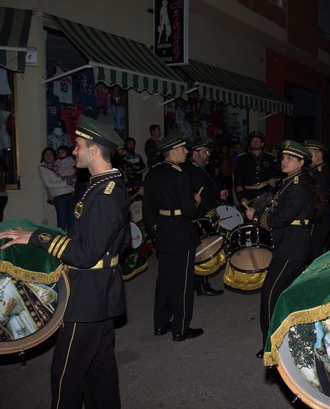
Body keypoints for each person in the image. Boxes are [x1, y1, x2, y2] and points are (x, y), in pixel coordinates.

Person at [0, 115, 130, 408]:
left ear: (94, 150)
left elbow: (85, 254)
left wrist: (37, 238)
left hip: (87, 297)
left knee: (66, 375)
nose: (74, 151)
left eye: (79, 145)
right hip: (100, 291)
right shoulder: (102, 186)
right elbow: (121, 241)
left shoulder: (106, 194)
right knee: (100, 371)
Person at [245, 140, 317, 358]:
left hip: (291, 247)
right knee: (286, 294)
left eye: (289, 159)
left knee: (270, 294)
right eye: (283, 157)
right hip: (288, 243)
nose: (283, 161)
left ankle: (271, 345)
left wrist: (256, 216)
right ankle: (289, 338)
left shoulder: (297, 185)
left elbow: (282, 218)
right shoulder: (291, 181)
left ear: (301, 162)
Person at [143, 132, 204, 342]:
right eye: (184, 149)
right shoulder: (180, 175)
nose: (186, 152)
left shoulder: (152, 173)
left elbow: (148, 208)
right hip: (181, 232)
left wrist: (155, 232)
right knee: (183, 282)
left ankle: (160, 324)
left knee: (164, 280)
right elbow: (189, 211)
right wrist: (195, 201)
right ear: (174, 151)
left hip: (163, 232)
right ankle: (180, 328)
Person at [183, 139, 228, 297]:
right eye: (205, 152)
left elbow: (207, 191)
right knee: (202, 250)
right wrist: (212, 216)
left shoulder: (197, 168)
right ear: (195, 153)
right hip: (200, 216)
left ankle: (199, 284)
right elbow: (200, 198)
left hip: (199, 214)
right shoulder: (194, 171)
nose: (208, 154)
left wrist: (217, 194)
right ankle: (201, 286)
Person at [304, 139, 330, 261]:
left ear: (319, 155)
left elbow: (318, 195)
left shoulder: (320, 172)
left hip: (320, 215)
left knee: (315, 249)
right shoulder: (315, 170)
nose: (307, 157)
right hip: (319, 213)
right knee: (314, 247)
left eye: (310, 154)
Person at [234, 130, 278, 208]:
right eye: (253, 141)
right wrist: (242, 197)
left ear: (262, 144)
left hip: (266, 195)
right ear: (250, 144)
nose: (255, 142)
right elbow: (238, 181)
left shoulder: (269, 157)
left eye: (257, 141)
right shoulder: (242, 158)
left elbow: (275, 177)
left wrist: (273, 183)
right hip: (248, 196)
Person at [38, 147, 75, 232]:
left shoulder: (60, 165)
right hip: (59, 197)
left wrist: (72, 180)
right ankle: (59, 243)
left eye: (50, 154)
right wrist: (65, 183)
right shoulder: (42, 168)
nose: (48, 156)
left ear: (54, 156)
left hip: (70, 194)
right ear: (43, 156)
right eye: (46, 154)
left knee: (72, 222)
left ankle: (70, 243)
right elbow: (49, 184)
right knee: (62, 222)